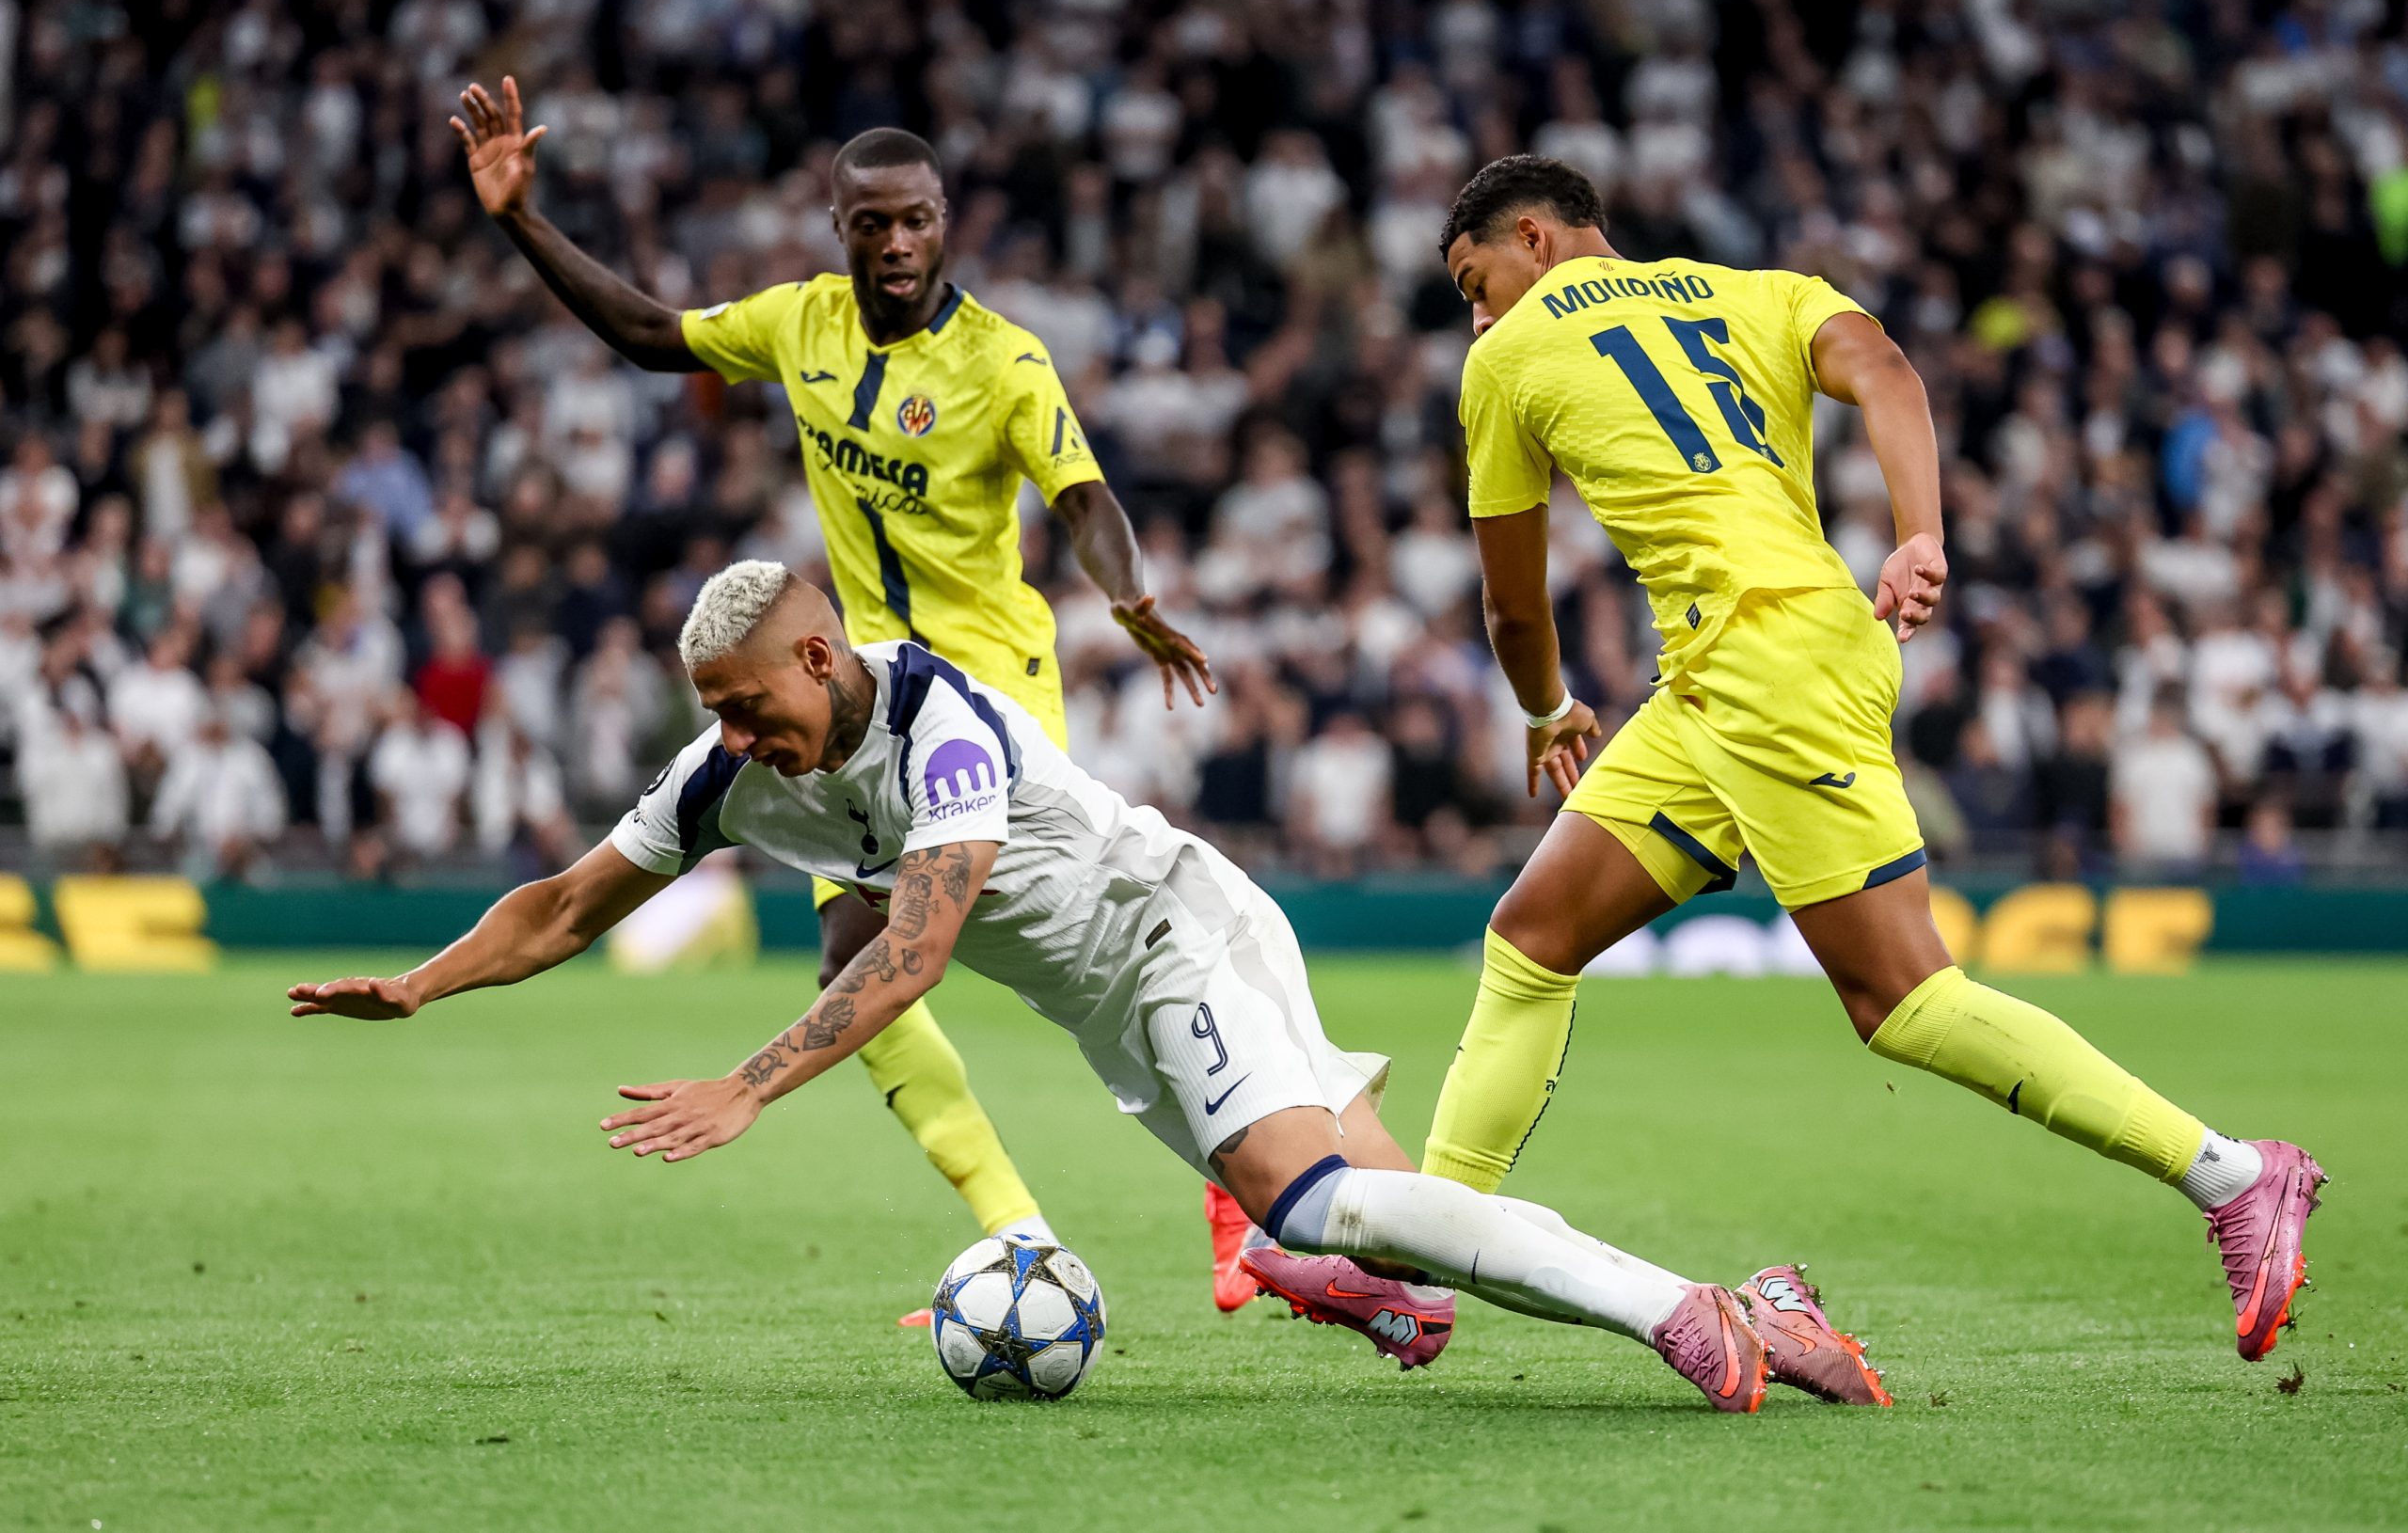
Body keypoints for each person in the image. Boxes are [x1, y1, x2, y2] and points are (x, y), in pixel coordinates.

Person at [287, 564, 1886, 1413]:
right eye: (712, 712)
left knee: (1314, 1201)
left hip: (1174, 931)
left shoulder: (942, 727)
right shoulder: (730, 776)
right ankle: (1758, 1305)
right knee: (1375, 1233)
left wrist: (748, 1083)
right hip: (1116, 1011)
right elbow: (568, 901)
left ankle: (1691, 1313)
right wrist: (424, 986)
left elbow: (915, 949)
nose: (733, 736)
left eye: (749, 703)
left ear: (820, 658)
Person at [1335, 154, 2320, 1367]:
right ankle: (1432, 1248)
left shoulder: (1508, 356)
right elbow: (1889, 373)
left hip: (1767, 668)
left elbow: (1512, 609)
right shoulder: (1756, 289)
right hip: (1729, 669)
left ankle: (2233, 1175)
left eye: (1473, 282)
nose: (1475, 315)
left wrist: (1546, 708)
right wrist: (1918, 534)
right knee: (1531, 939)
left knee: (1904, 1001)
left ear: (1532, 238)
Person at [446, 81, 1233, 1308]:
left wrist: (1127, 592)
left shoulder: (1003, 361)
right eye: (874, 224)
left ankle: (1231, 1152)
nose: (899, 242)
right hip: (853, 705)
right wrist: (518, 221)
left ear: (945, 222)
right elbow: (652, 335)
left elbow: (1083, 497)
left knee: (1068, 953)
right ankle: (1021, 1235)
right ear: (840, 228)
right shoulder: (798, 324)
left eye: (918, 220)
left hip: (991, 694)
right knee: (850, 967)